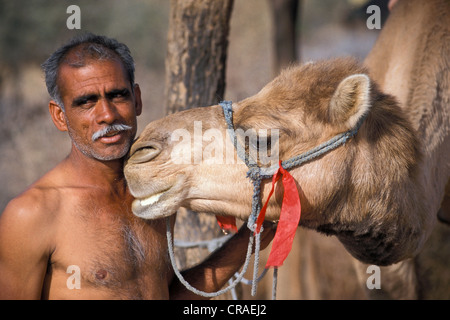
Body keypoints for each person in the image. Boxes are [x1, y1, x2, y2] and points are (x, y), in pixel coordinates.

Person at [0, 33, 274, 299]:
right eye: (86, 102)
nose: (107, 115)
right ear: (60, 116)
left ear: (137, 99)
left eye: (118, 95)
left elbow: (167, 294)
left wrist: (249, 237)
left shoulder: (155, 191)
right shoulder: (32, 214)